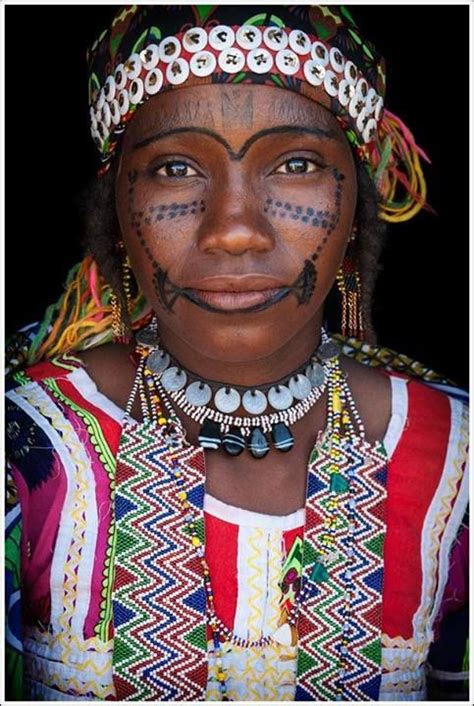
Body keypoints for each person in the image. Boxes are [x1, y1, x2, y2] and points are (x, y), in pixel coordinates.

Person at [5, 5, 468, 702]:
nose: (234, 230)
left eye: (297, 164)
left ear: (355, 212)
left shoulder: (456, 455)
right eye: (176, 168)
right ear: (115, 215)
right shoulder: (26, 440)